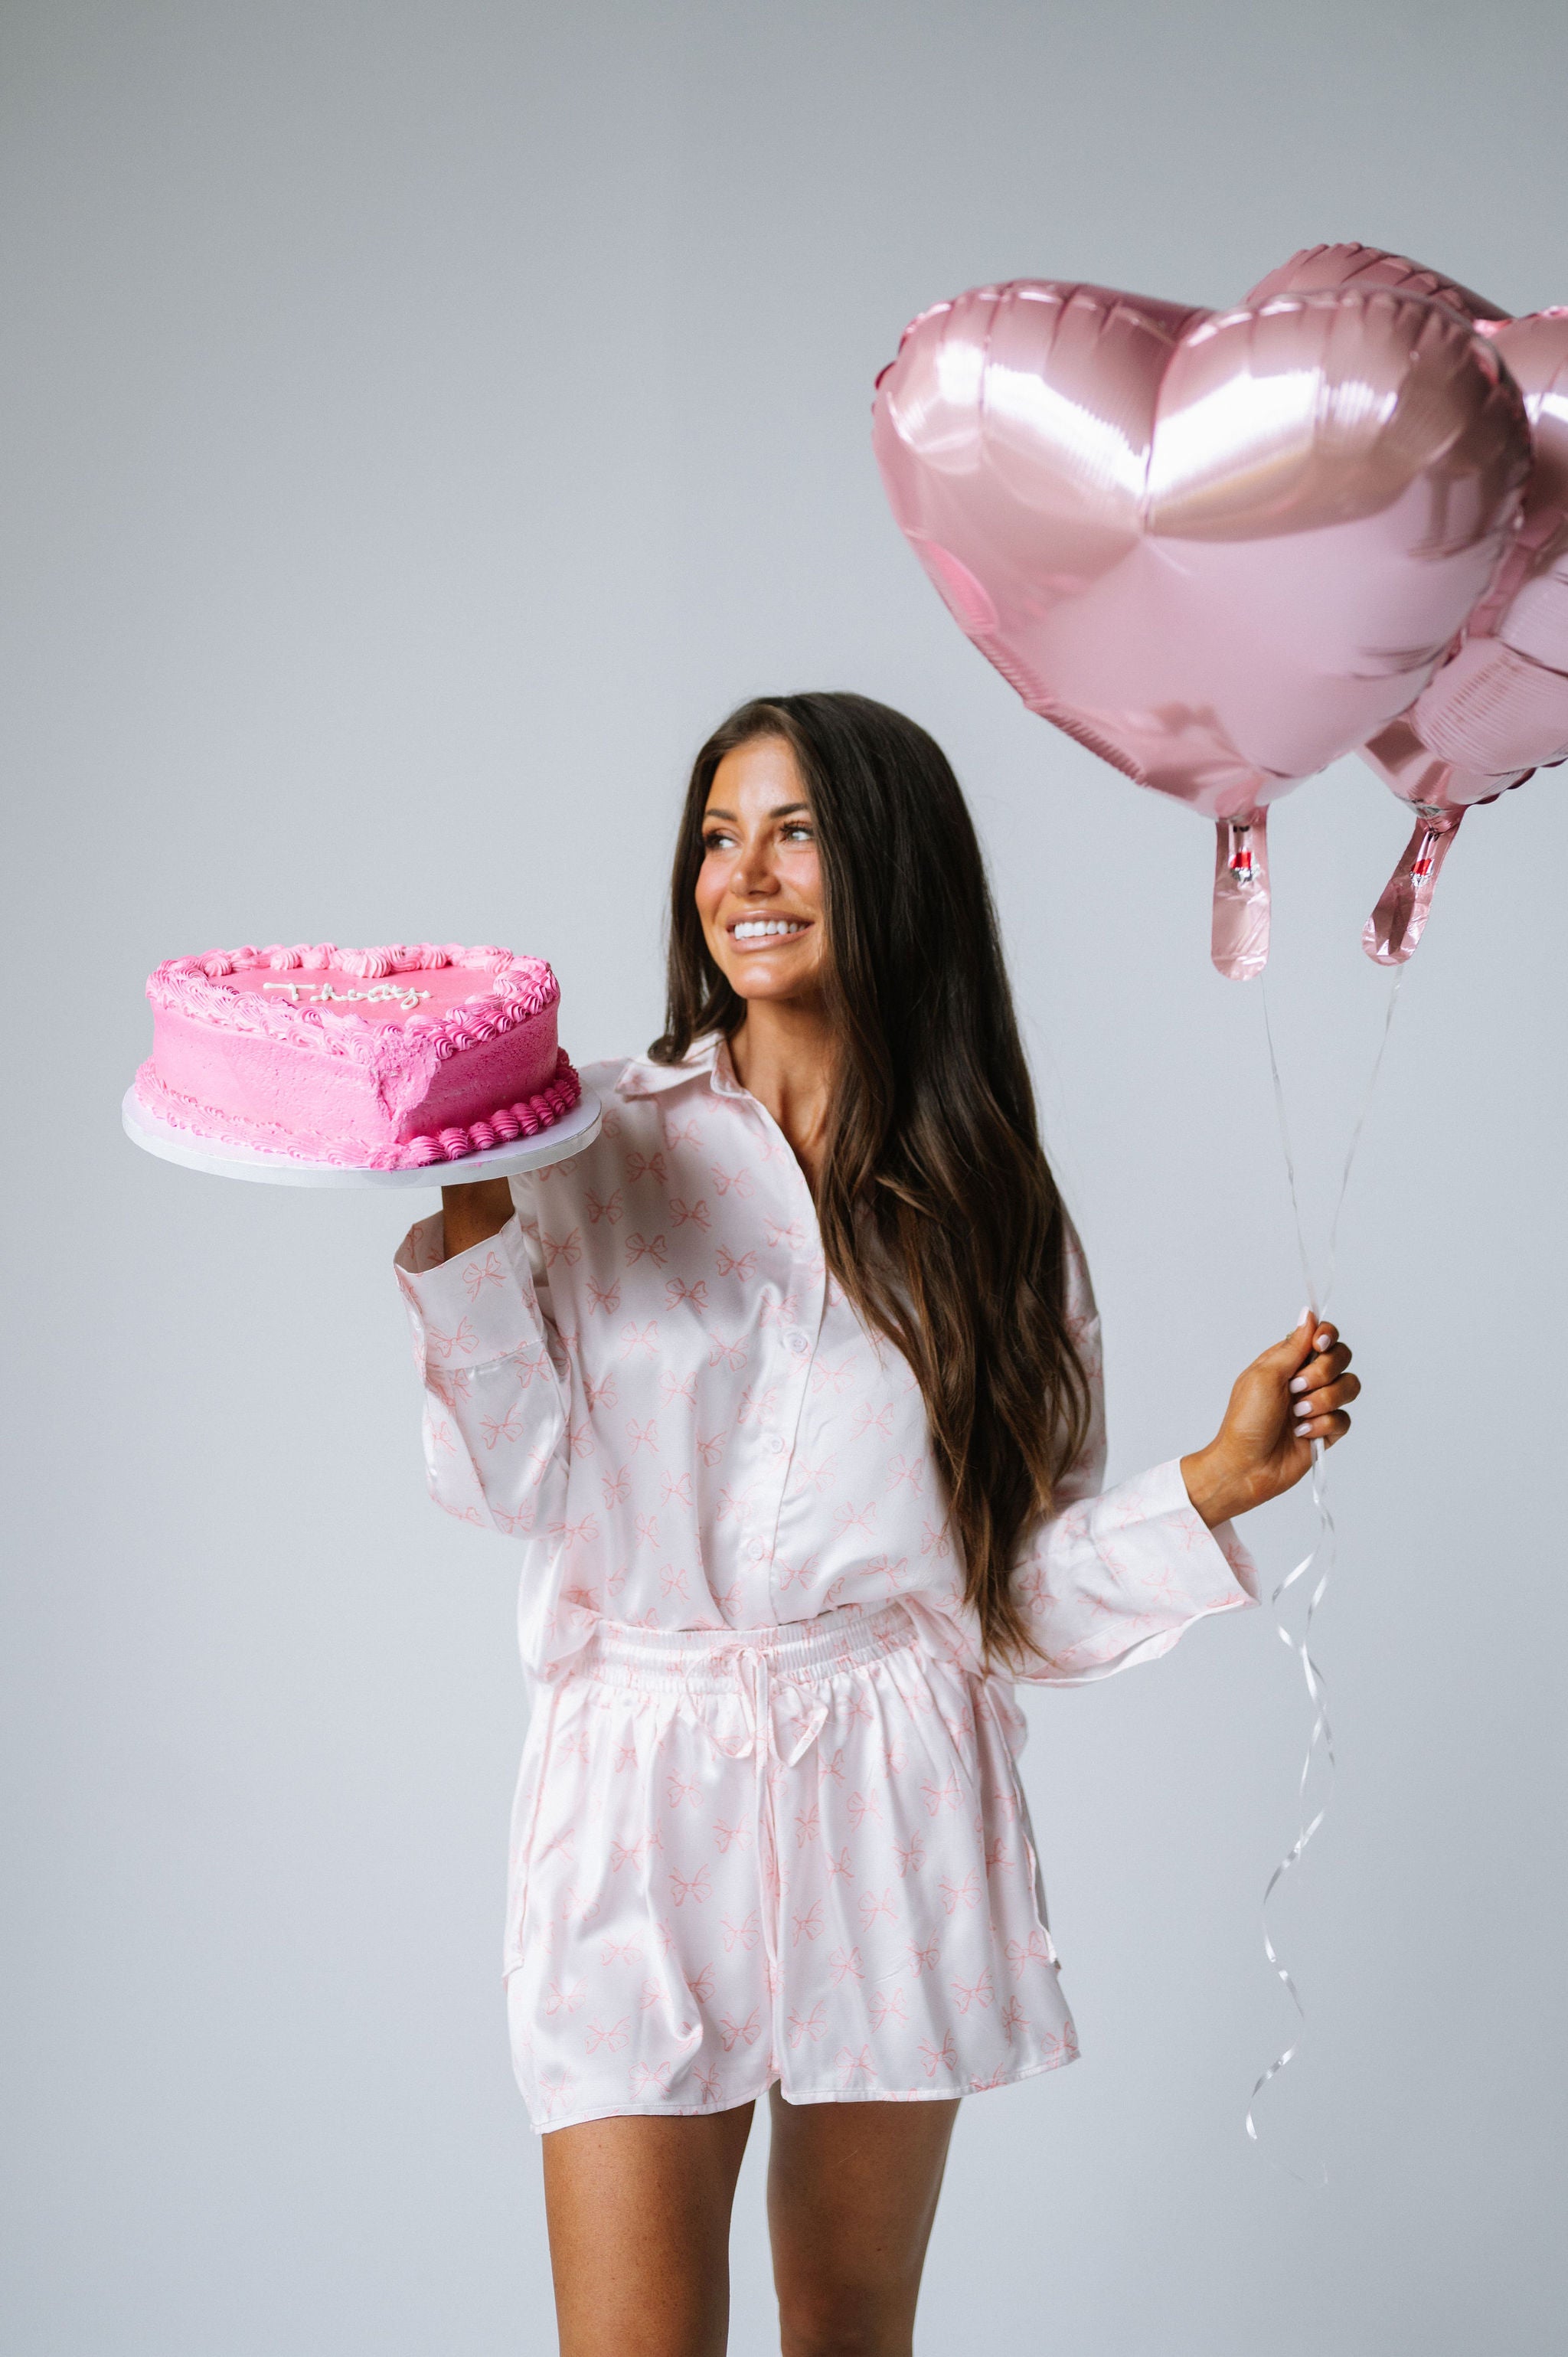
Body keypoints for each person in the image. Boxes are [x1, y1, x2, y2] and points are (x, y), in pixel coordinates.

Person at [392, 693, 1359, 2357]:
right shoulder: (590, 1146)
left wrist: (1207, 1483)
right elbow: (507, 1484)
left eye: (793, 831)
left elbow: (1011, 1597)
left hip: (886, 1797)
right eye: (715, 834)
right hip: (639, 1784)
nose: (742, 874)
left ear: (889, 866)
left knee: (848, 2331)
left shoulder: (989, 1207)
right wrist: (477, 1219)